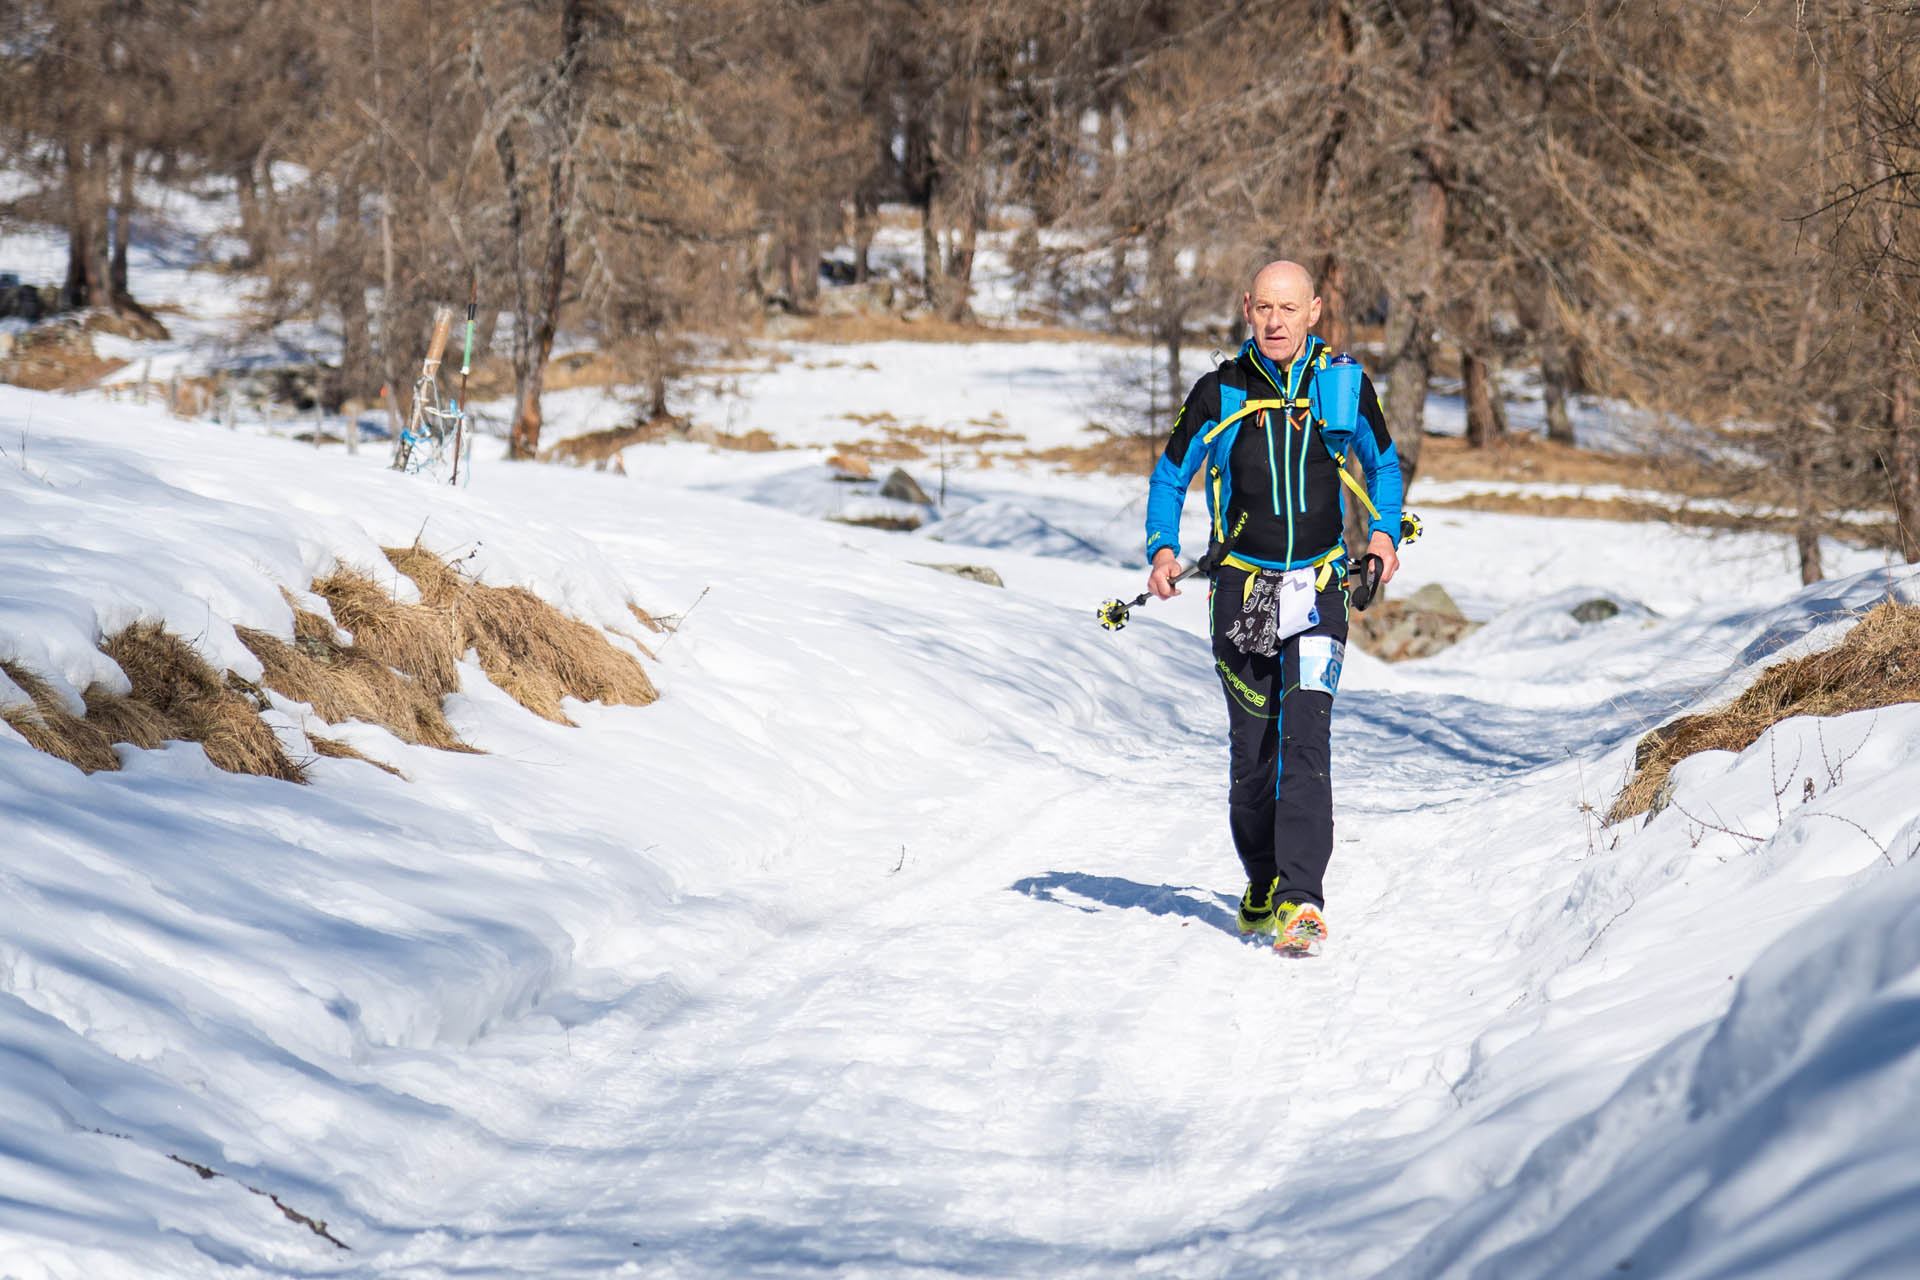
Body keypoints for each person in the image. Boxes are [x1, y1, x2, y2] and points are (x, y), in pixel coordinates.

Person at [1143, 260, 1404, 953]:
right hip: (1243, 591)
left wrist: (1383, 535)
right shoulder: (1220, 391)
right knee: (1254, 755)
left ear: (1314, 311)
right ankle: (1262, 879)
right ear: (1247, 309)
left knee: (1306, 740)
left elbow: (1384, 465)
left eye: (1290, 308)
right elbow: (1169, 476)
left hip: (1319, 588)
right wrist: (1163, 549)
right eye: (1264, 307)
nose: (1276, 321)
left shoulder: (1342, 385)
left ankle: (1301, 900)